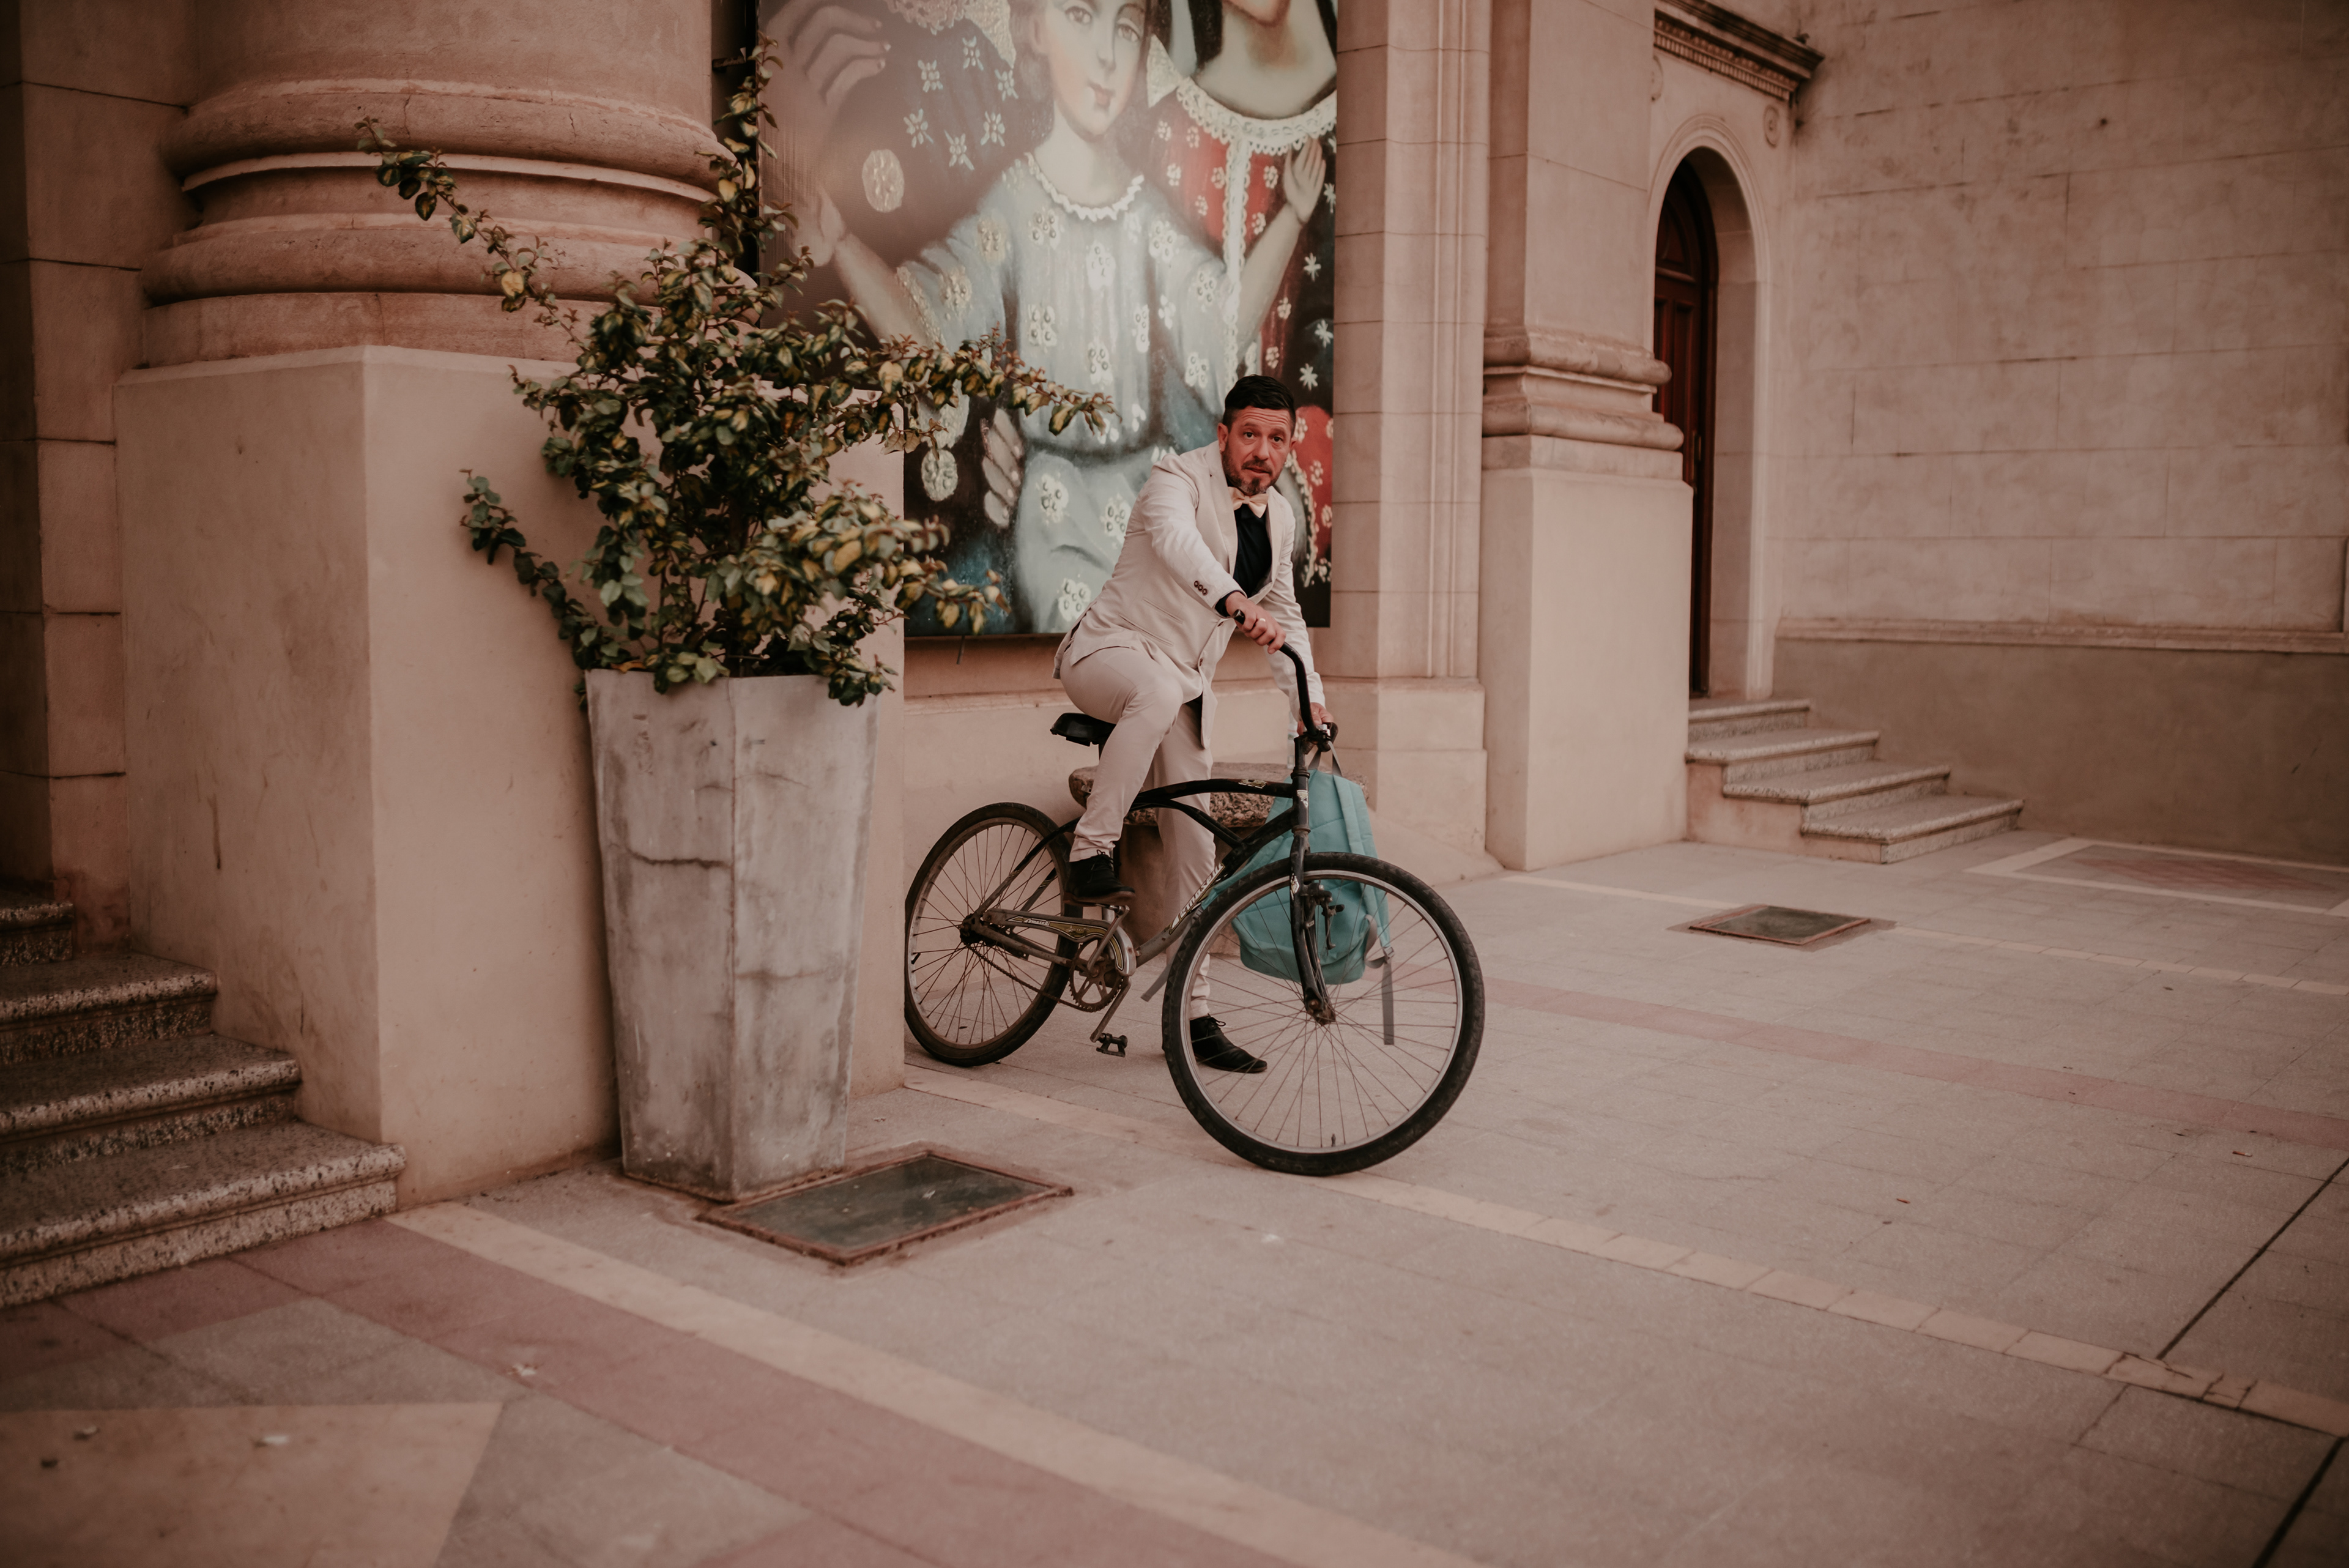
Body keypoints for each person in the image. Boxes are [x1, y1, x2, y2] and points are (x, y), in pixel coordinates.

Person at [779, 0, 1324, 631]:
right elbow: (931, 329)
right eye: (1081, 17)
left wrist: (1292, 218)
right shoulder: (1013, 205)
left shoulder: (1147, 214)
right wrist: (843, 246)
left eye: (1126, 29)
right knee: (1095, 636)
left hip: (1150, 495)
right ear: (1035, 31)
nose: (1107, 56)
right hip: (1057, 509)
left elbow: (1221, 322)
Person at [1053, 373, 1330, 1071]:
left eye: (1276, 439)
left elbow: (1288, 617)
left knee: (1197, 855)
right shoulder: (1174, 479)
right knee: (1152, 690)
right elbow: (1180, 545)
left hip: (1182, 692)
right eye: (1249, 435)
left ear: (1290, 446)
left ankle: (1195, 1017)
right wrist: (1235, 602)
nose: (1262, 451)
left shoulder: (1281, 518)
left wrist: (1310, 704)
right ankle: (1090, 852)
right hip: (1108, 652)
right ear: (1223, 435)